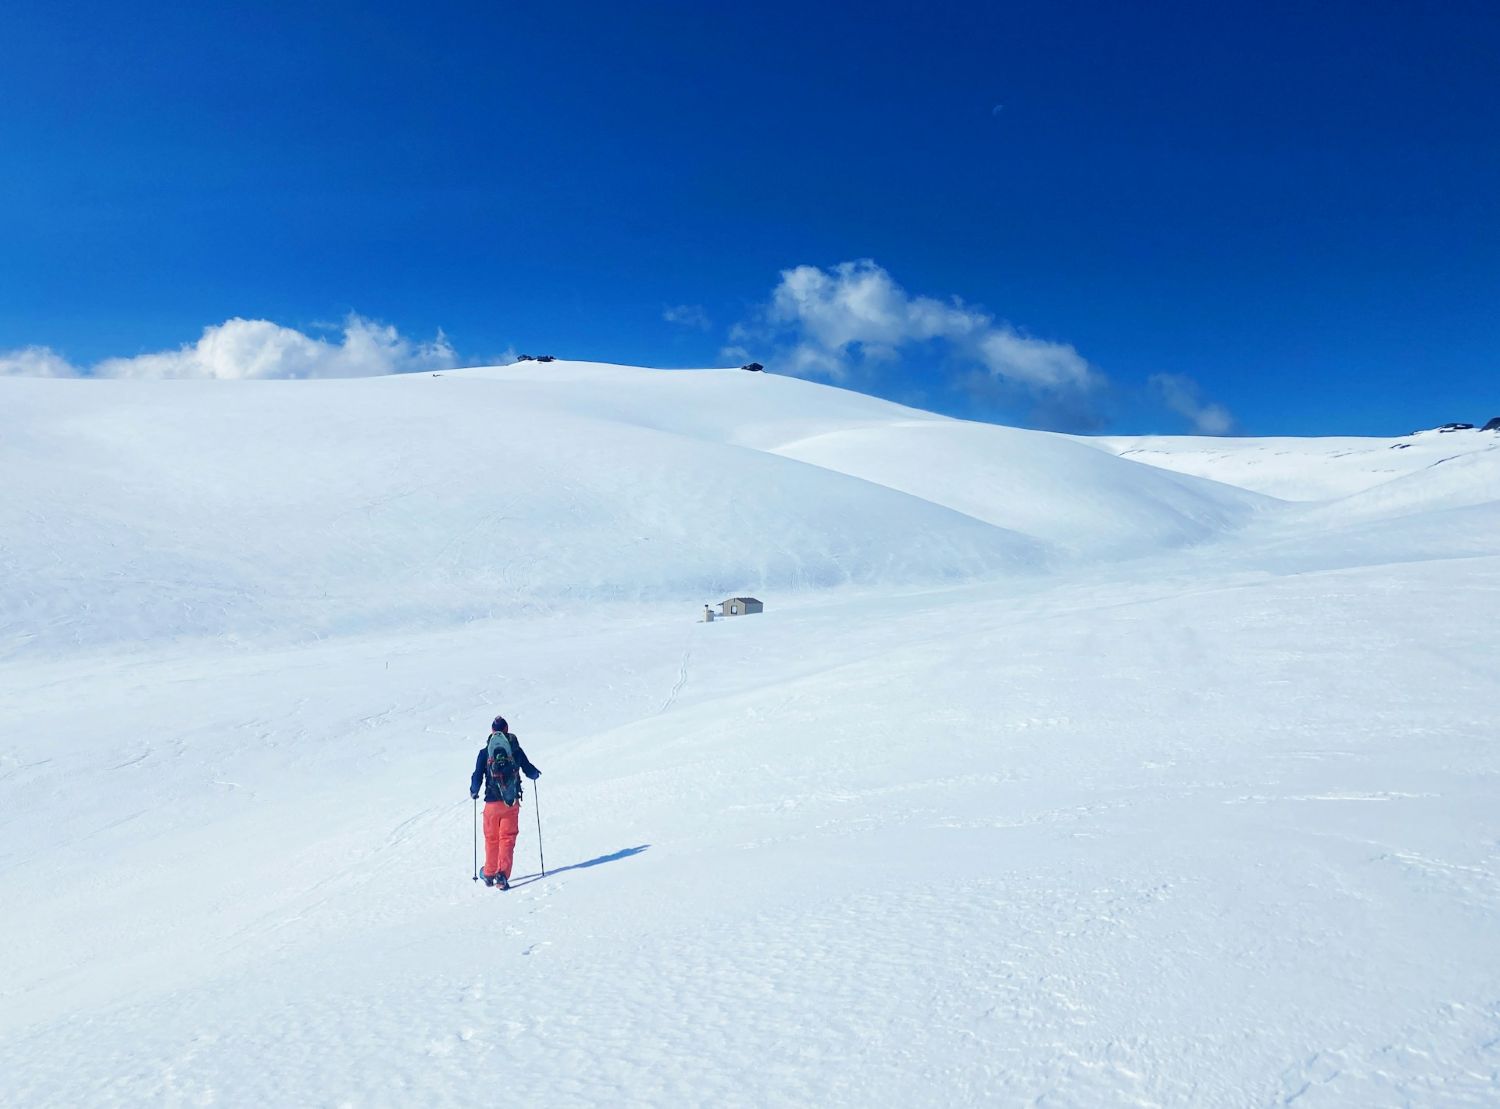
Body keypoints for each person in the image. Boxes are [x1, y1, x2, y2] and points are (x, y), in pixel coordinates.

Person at [469, 715, 541, 889]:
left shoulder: (485, 752)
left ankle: (488, 873)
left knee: (491, 839)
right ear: (507, 730)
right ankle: (502, 876)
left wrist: (474, 791)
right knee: (507, 839)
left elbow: (477, 776)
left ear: (492, 731)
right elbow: (529, 769)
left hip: (491, 804)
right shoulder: (515, 749)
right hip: (511, 803)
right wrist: (535, 775)